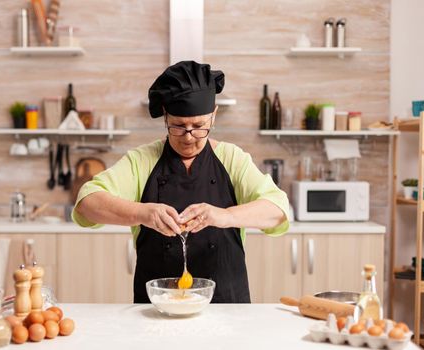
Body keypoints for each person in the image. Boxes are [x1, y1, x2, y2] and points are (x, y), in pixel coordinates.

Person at [73, 61, 289, 303]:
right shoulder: (142, 160)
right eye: (178, 126)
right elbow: (87, 203)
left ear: (213, 116)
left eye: (198, 126)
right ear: (165, 117)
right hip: (155, 310)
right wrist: (142, 213)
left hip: (228, 307)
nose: (189, 136)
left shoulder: (232, 159)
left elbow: (277, 210)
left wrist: (225, 216)